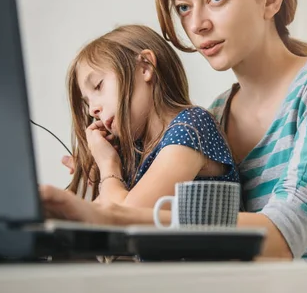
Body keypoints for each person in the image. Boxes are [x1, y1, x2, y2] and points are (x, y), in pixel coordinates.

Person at [44, 0, 307, 260]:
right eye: (184, 7)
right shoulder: (215, 114)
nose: (197, 25)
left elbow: (284, 237)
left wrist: (111, 214)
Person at [63, 24, 238, 208]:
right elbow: (93, 219)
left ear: (145, 67)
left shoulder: (191, 127)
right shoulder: (137, 153)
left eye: (98, 86)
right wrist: (92, 176)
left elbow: (125, 215)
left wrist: (108, 165)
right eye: (87, 102)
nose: (92, 110)